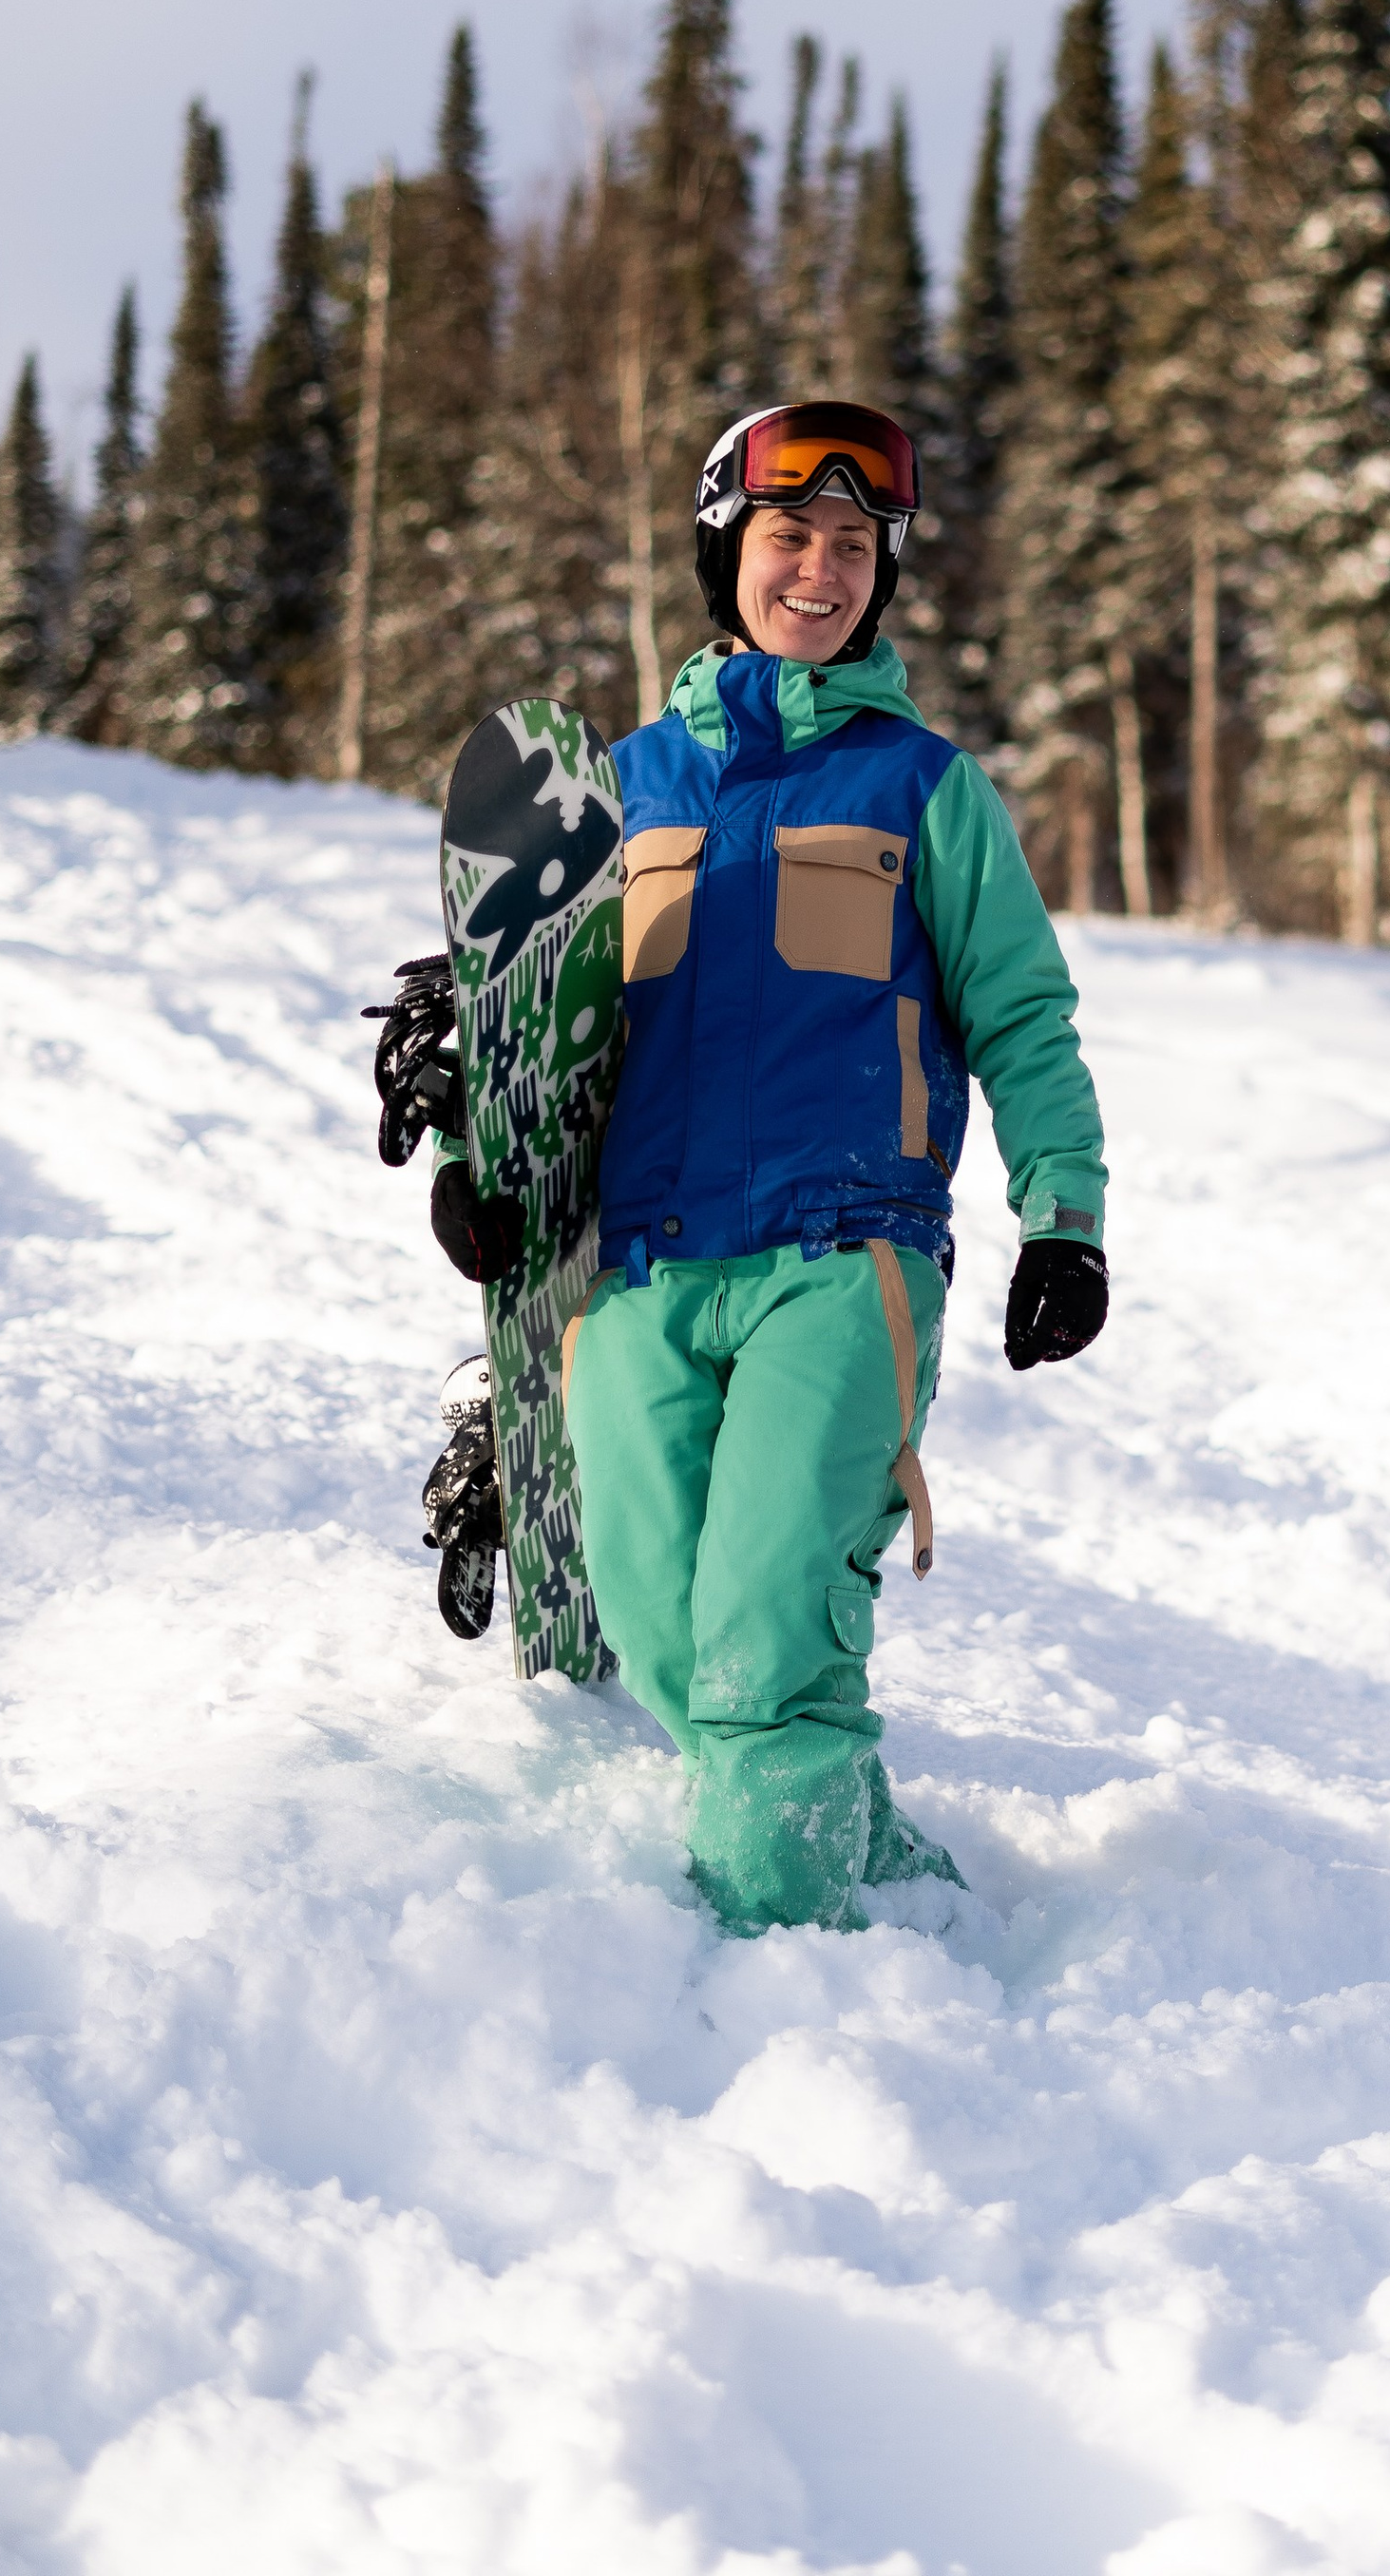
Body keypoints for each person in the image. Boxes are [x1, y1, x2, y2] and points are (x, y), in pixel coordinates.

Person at [558, 399, 1109, 1932]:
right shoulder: (622, 789)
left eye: (855, 546)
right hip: (641, 1264)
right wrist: (483, 1161)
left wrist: (1063, 1220)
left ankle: (790, 1983)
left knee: (761, 1641)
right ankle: (888, 1876)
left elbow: (1024, 1015)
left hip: (841, 1254)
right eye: (790, 535)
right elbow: (534, 1027)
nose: (822, 569)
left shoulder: (925, 789)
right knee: (669, 1639)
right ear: (725, 553)